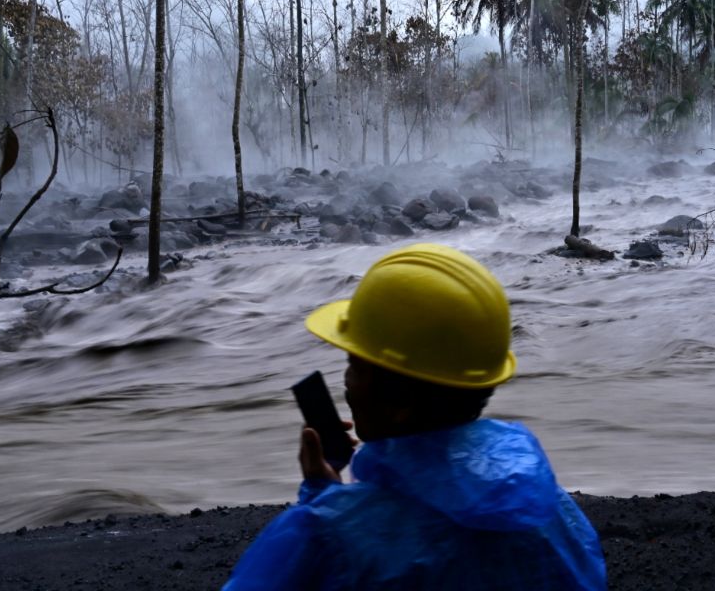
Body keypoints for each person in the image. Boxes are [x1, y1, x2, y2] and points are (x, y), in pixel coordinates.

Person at [222, 243, 608, 590]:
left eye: (354, 364)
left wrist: (320, 501)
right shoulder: (550, 510)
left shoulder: (322, 537)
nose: (346, 383)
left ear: (400, 401)